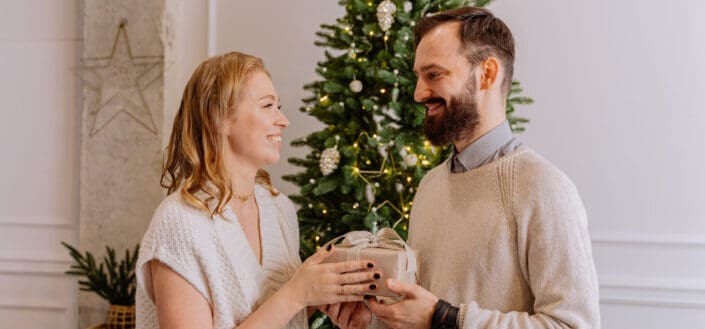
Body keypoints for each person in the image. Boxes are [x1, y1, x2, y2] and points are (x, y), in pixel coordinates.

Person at [324, 6, 600, 329]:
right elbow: (422, 314)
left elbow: (573, 325)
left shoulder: (544, 188)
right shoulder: (431, 186)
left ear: (487, 74)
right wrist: (372, 321)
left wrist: (444, 317)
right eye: (418, 76)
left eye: (434, 74)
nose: (418, 93)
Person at [135, 51, 381, 329]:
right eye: (268, 106)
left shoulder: (279, 208)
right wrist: (296, 294)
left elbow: (280, 315)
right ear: (218, 118)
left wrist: (323, 293)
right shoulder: (179, 223)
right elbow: (286, 301)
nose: (283, 120)